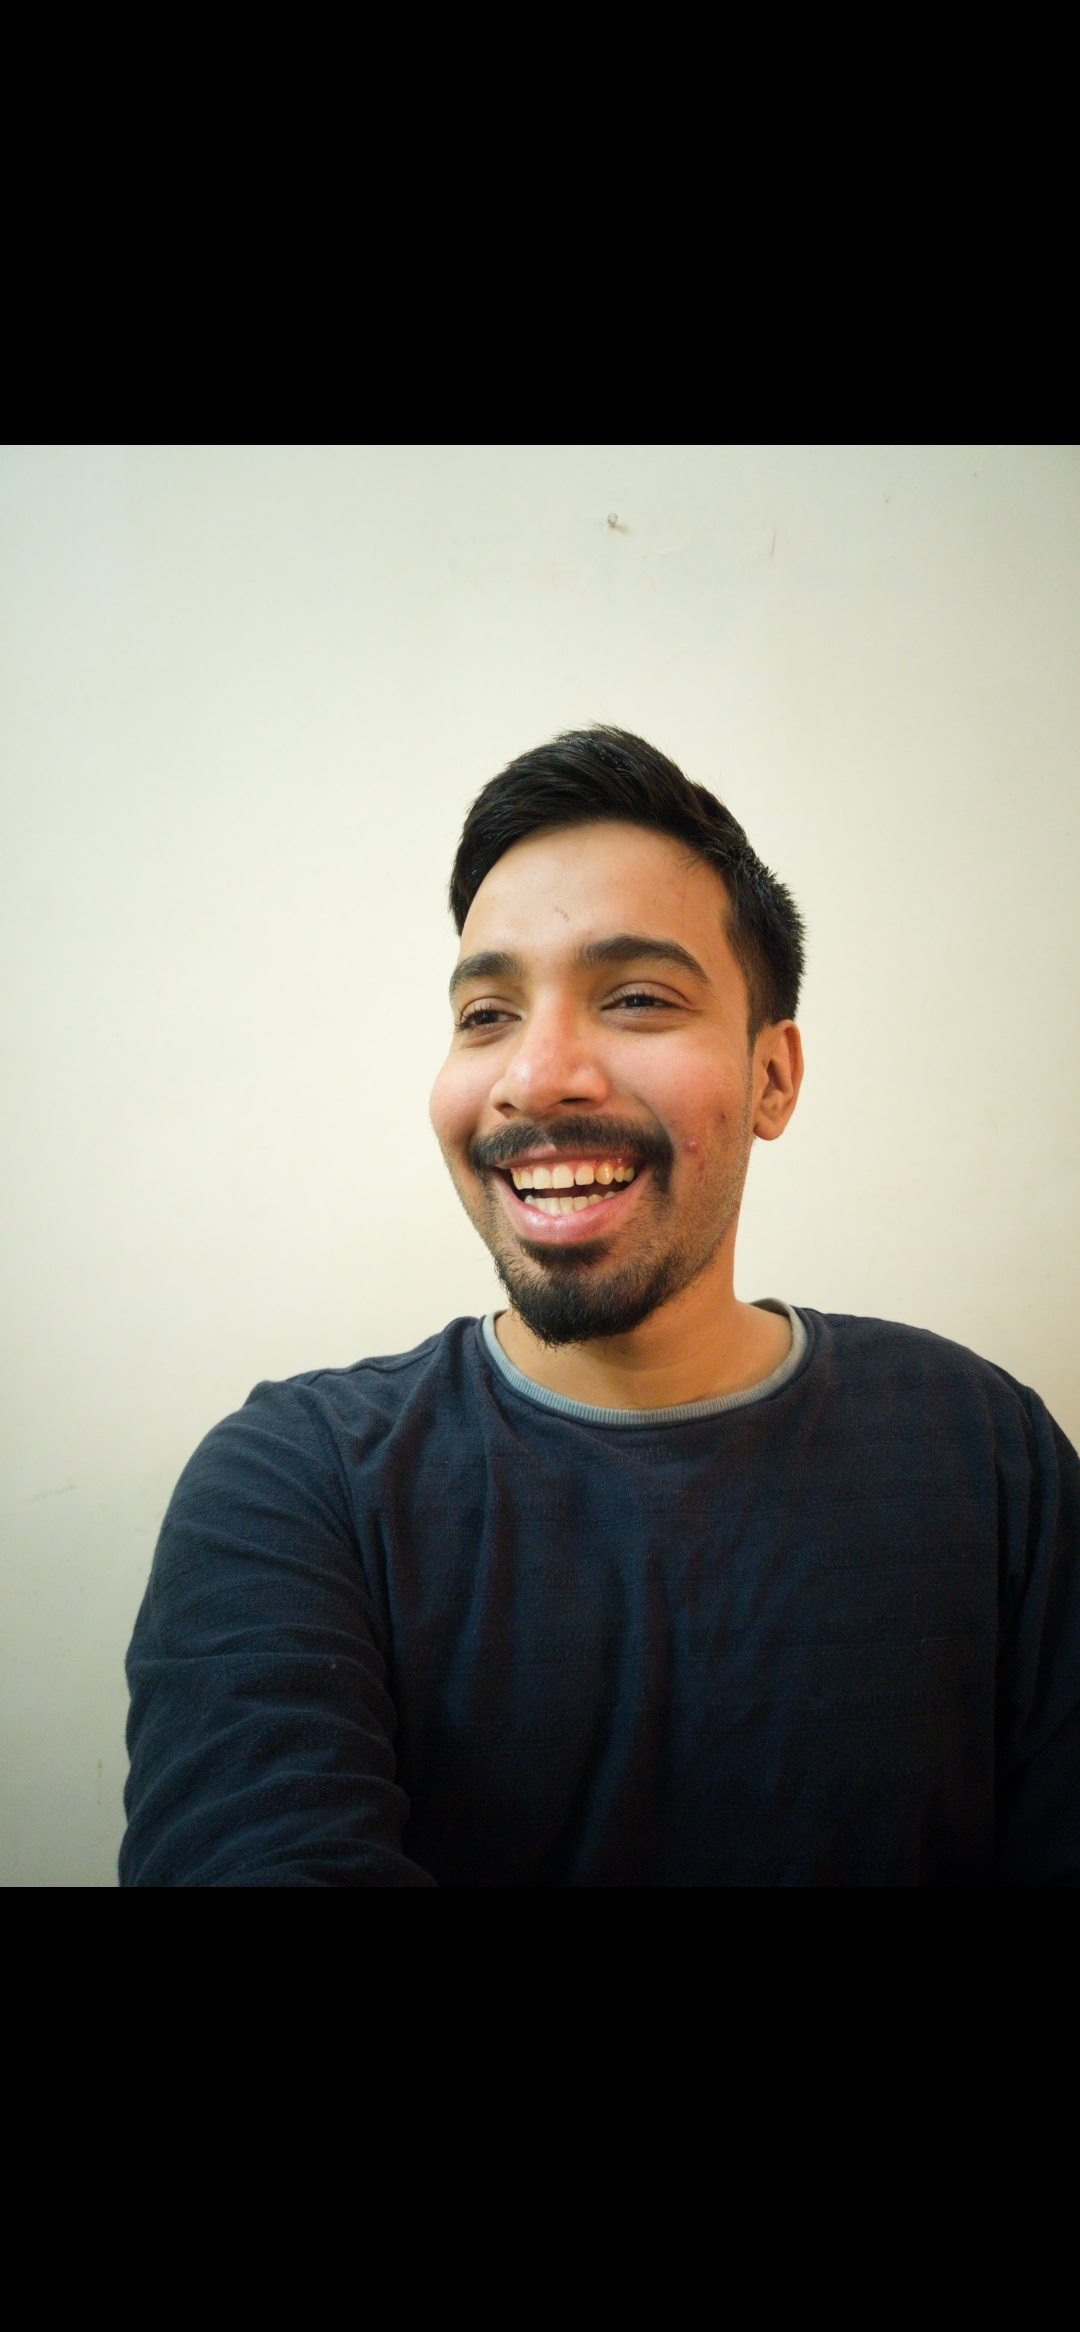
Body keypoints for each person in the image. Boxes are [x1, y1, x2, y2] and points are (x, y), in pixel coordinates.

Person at [120, 728, 1080, 1886]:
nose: (535, 1074)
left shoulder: (985, 1450)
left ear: (772, 1076)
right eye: (487, 1014)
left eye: (633, 997)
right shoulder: (296, 1486)